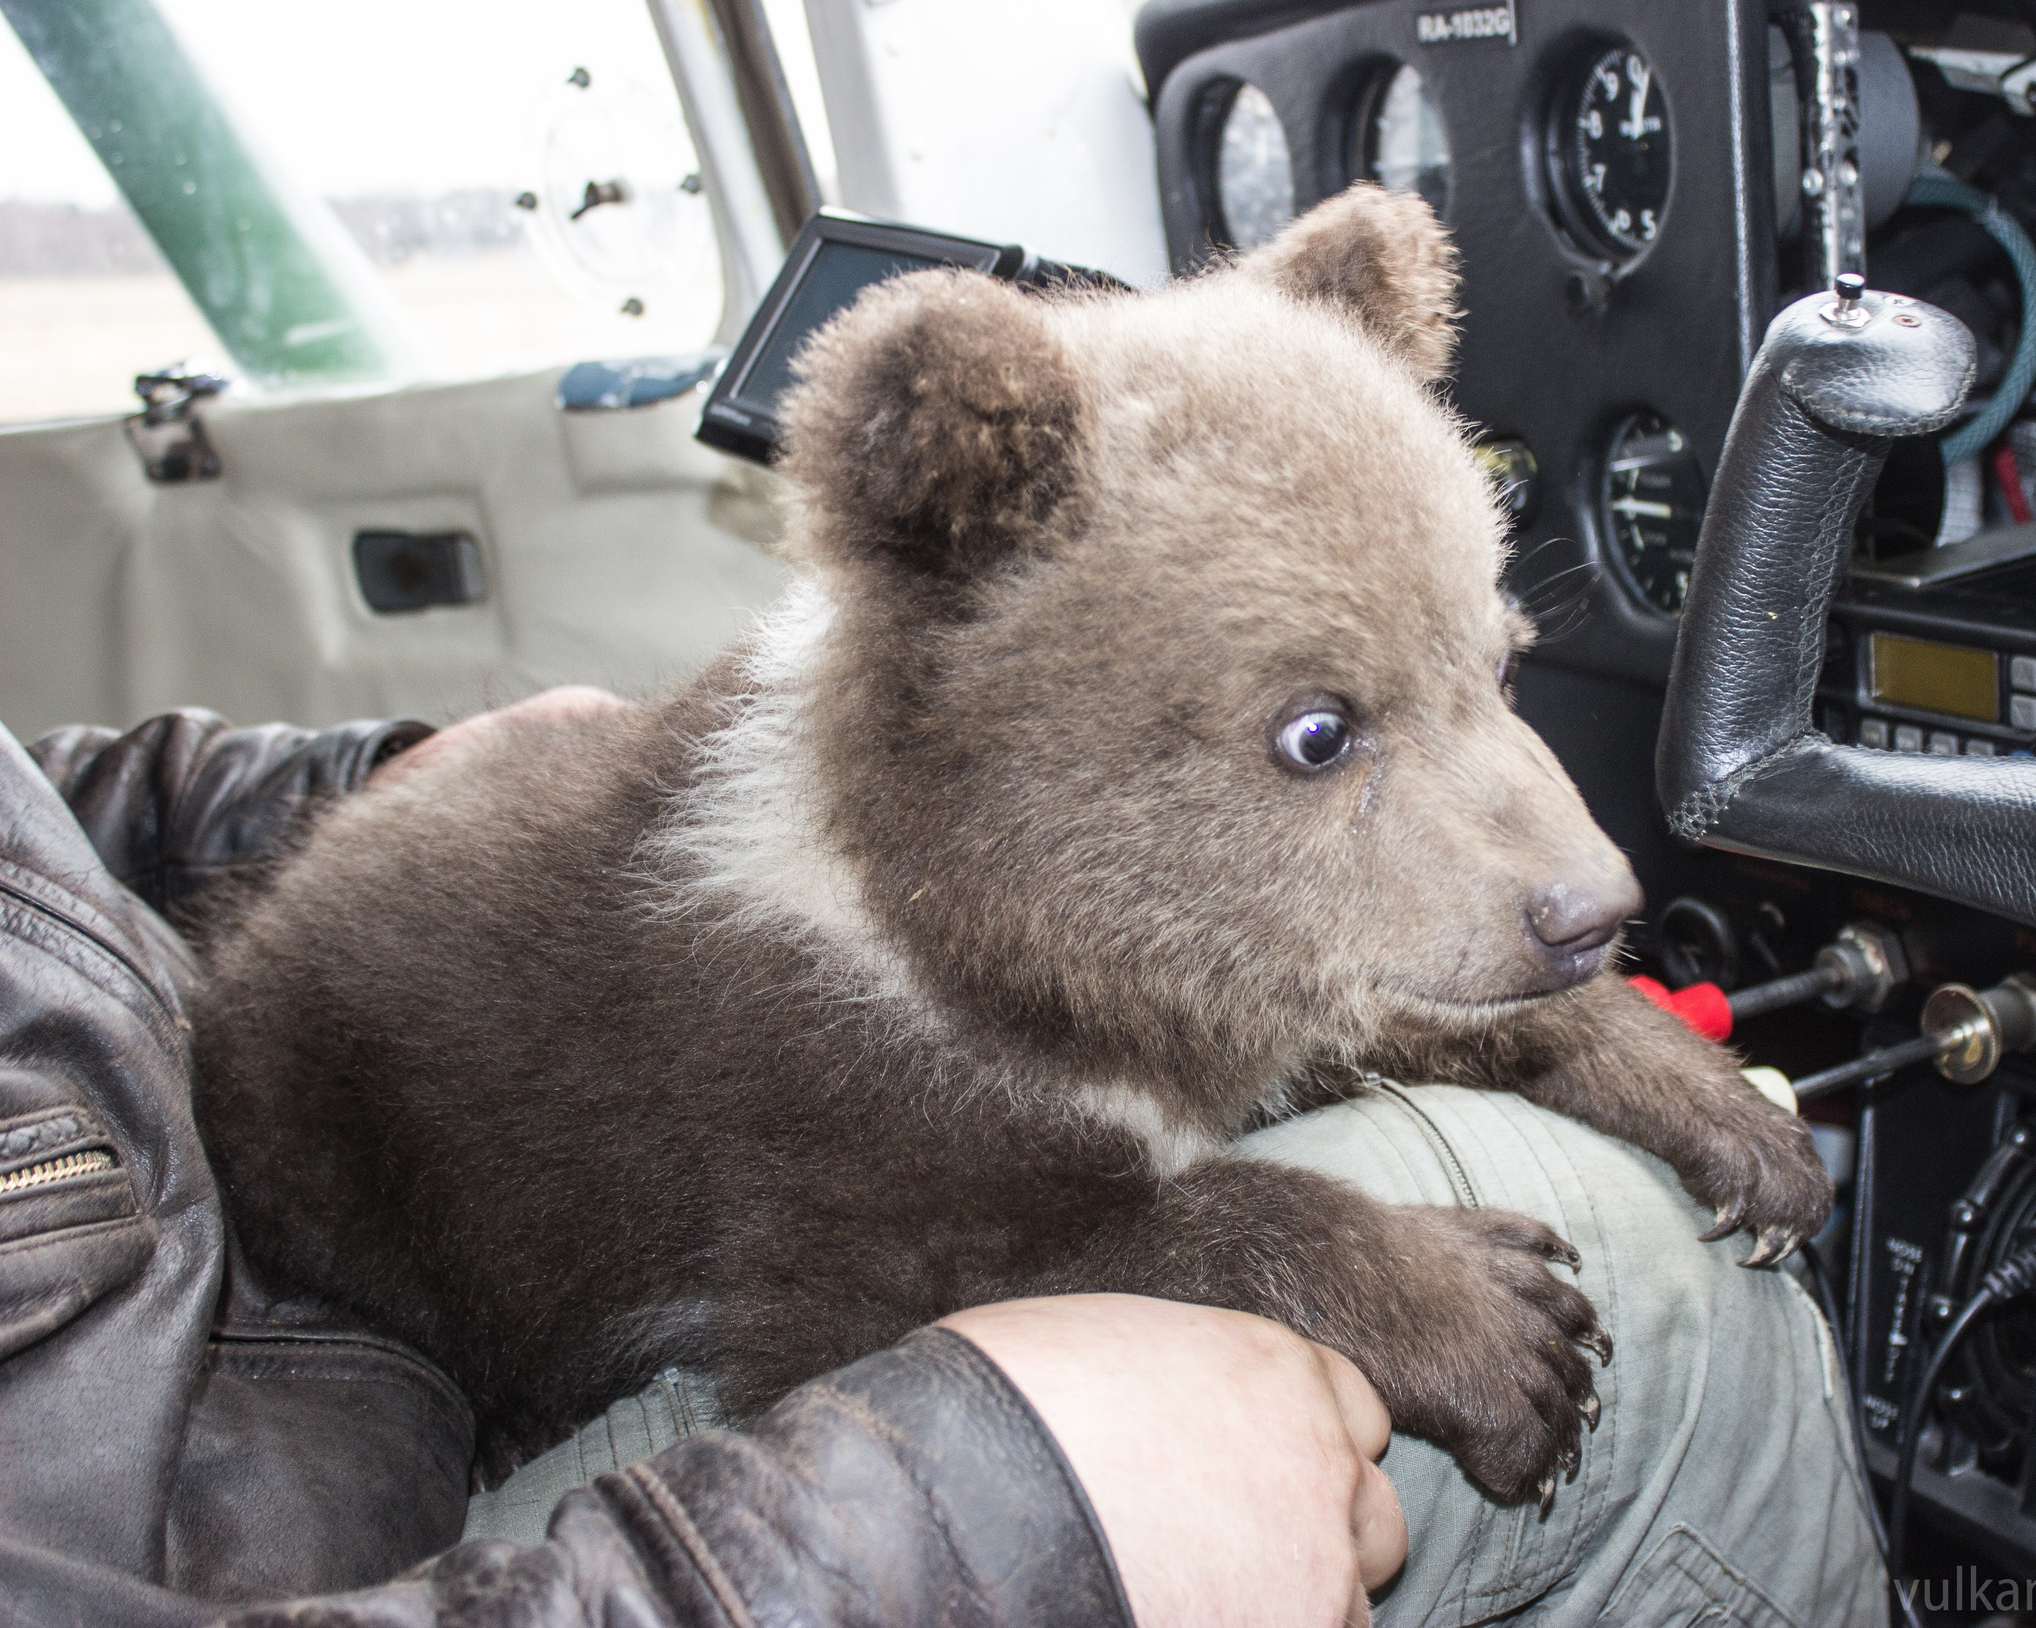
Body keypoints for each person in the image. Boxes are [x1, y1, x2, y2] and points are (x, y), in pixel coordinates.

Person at [3, 696, 1885, 1626]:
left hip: (262, 1324)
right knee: (1625, 1280)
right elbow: (903, 1254)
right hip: (324, 1529)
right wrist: (998, 1521)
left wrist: (352, 777)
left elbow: (46, 816)